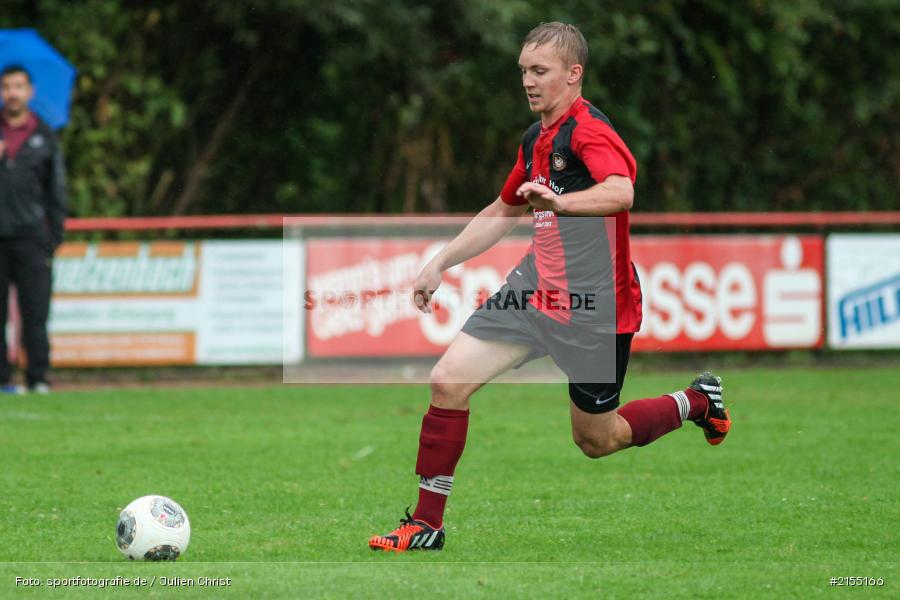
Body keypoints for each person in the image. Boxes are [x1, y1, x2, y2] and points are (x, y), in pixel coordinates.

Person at [367, 22, 731, 552]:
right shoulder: (534, 139)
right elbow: (503, 211)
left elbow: (621, 191)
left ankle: (696, 401)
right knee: (447, 381)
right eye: (523, 71)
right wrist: (440, 261)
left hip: (594, 309)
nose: (528, 82)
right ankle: (427, 524)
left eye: (539, 71)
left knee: (597, 439)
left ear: (573, 74)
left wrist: (563, 203)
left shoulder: (588, 132)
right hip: (533, 291)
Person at [0, 64, 67, 394]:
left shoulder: (45, 135)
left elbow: (57, 191)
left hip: (32, 238)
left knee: (36, 312)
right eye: (6, 87)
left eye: (18, 86)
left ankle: (38, 378)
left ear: (30, 92)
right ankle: (2, 380)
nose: (12, 93)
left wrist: (53, 238)